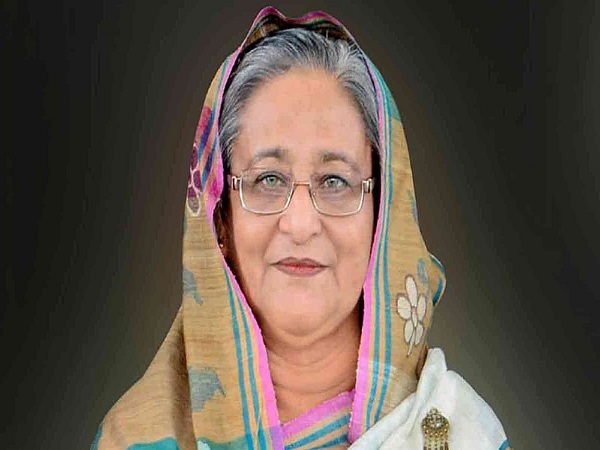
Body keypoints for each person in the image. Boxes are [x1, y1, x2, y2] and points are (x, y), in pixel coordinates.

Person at [91, 7, 510, 450]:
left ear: (384, 218)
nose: (301, 224)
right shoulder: (136, 441)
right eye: (268, 180)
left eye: (335, 181)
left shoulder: (459, 435)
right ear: (220, 221)